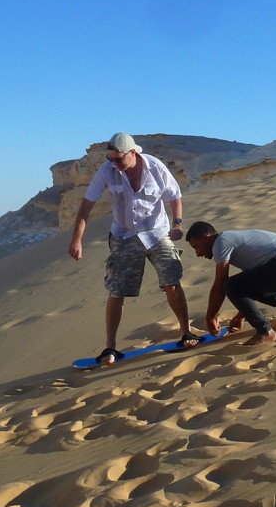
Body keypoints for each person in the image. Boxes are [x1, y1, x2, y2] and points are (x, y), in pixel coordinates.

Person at [69, 133, 198, 365]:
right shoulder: (107, 171)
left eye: (119, 159)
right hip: (124, 235)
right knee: (116, 290)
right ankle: (110, 347)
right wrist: (77, 240)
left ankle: (186, 331)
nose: (114, 164)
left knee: (172, 280)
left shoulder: (155, 167)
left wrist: (178, 224)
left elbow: (175, 196)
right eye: (111, 159)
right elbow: (86, 206)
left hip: (157, 233)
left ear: (133, 153)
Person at [185, 221, 276, 346]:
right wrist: (241, 316)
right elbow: (249, 285)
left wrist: (210, 317)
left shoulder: (222, 241)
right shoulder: (235, 241)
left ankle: (265, 332)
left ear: (206, 238)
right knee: (243, 284)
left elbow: (219, 285)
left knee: (230, 285)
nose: (198, 253)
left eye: (196, 247)